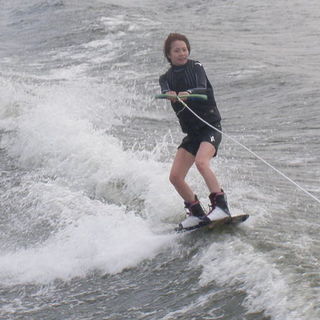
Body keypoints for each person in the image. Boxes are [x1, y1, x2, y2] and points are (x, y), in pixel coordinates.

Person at [159, 33, 230, 229]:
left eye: (184, 49)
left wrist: (187, 93)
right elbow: (165, 90)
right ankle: (197, 212)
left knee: (201, 162)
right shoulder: (165, 78)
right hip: (192, 134)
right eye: (177, 50)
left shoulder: (196, 67)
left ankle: (221, 207)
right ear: (169, 54)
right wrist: (169, 94)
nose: (182, 53)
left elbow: (202, 88)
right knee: (175, 177)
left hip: (210, 127)